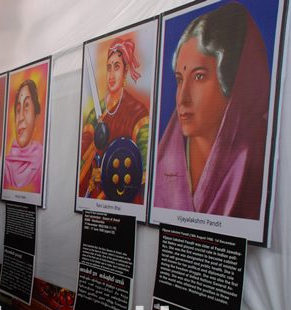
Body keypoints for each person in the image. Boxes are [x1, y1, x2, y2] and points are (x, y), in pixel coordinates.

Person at [154, 2, 269, 220]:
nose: (182, 98)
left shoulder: (257, 156)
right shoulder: (165, 161)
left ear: (231, 81)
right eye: (179, 80)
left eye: (198, 76)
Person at [78, 37, 149, 201]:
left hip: (120, 198)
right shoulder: (96, 112)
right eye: (109, 67)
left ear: (125, 70)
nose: (111, 74)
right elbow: (83, 155)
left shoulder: (137, 112)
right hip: (93, 197)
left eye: (116, 67)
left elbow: (142, 169)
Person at [3, 79, 44, 192]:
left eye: (26, 106)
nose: (20, 117)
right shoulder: (5, 166)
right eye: (17, 109)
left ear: (36, 116)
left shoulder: (42, 160)